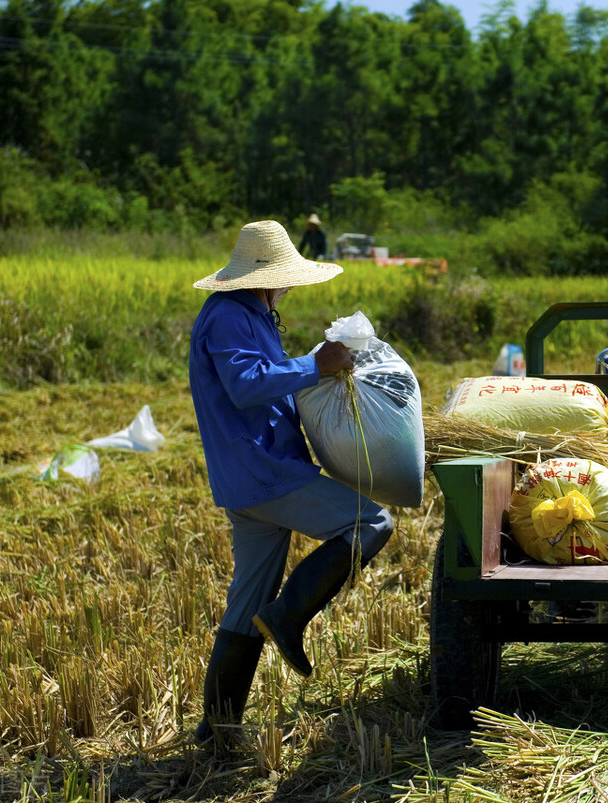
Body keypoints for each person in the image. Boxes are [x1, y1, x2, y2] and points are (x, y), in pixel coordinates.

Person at [189, 219, 394, 750]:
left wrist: (316, 376)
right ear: (268, 277)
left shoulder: (251, 314)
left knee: (245, 605)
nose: (290, 288)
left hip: (250, 478)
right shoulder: (229, 316)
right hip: (265, 472)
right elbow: (245, 386)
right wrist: (314, 364)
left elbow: (266, 381)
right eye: (286, 279)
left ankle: (216, 734)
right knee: (372, 522)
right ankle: (288, 616)